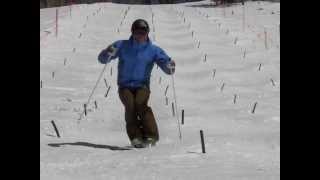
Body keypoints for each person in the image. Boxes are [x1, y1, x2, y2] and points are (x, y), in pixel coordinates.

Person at [98, 19, 175, 148]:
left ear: (147, 33)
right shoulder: (122, 45)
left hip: (142, 85)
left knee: (140, 103)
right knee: (130, 106)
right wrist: (107, 53)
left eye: (143, 33)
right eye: (137, 32)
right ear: (132, 32)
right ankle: (136, 137)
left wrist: (169, 66)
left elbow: (166, 65)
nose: (140, 36)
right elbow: (102, 59)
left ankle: (151, 135)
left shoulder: (153, 50)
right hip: (124, 85)